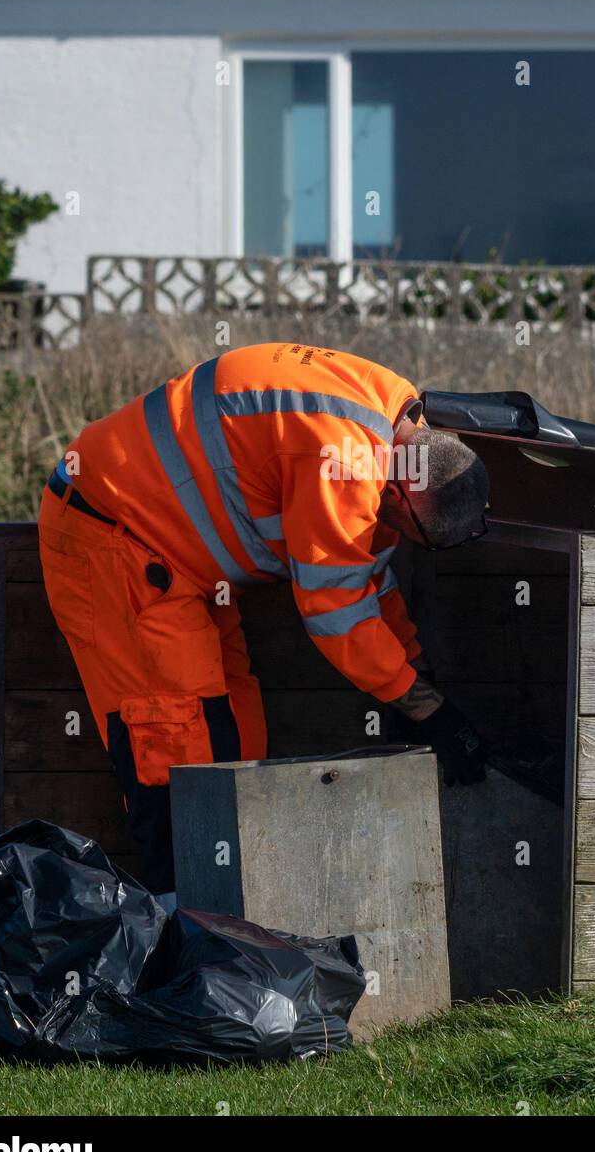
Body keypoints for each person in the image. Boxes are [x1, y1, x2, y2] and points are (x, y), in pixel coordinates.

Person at [38, 342, 490, 906]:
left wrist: (418, 679)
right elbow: (337, 611)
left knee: (235, 736)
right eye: (418, 535)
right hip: (115, 538)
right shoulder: (348, 463)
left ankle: (223, 925)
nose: (407, 544)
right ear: (399, 494)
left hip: (177, 559)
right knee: (177, 743)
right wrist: (427, 709)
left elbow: (370, 576)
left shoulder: (394, 421)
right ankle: (180, 932)